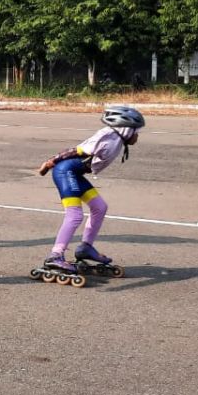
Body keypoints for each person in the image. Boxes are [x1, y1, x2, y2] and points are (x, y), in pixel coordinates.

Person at [35, 105, 145, 275]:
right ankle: (55, 256)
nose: (137, 136)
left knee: (100, 207)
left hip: (75, 173)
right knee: (75, 214)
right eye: (136, 132)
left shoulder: (117, 139)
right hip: (65, 171)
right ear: (125, 129)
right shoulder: (107, 136)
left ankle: (86, 247)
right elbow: (76, 151)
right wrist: (50, 163)